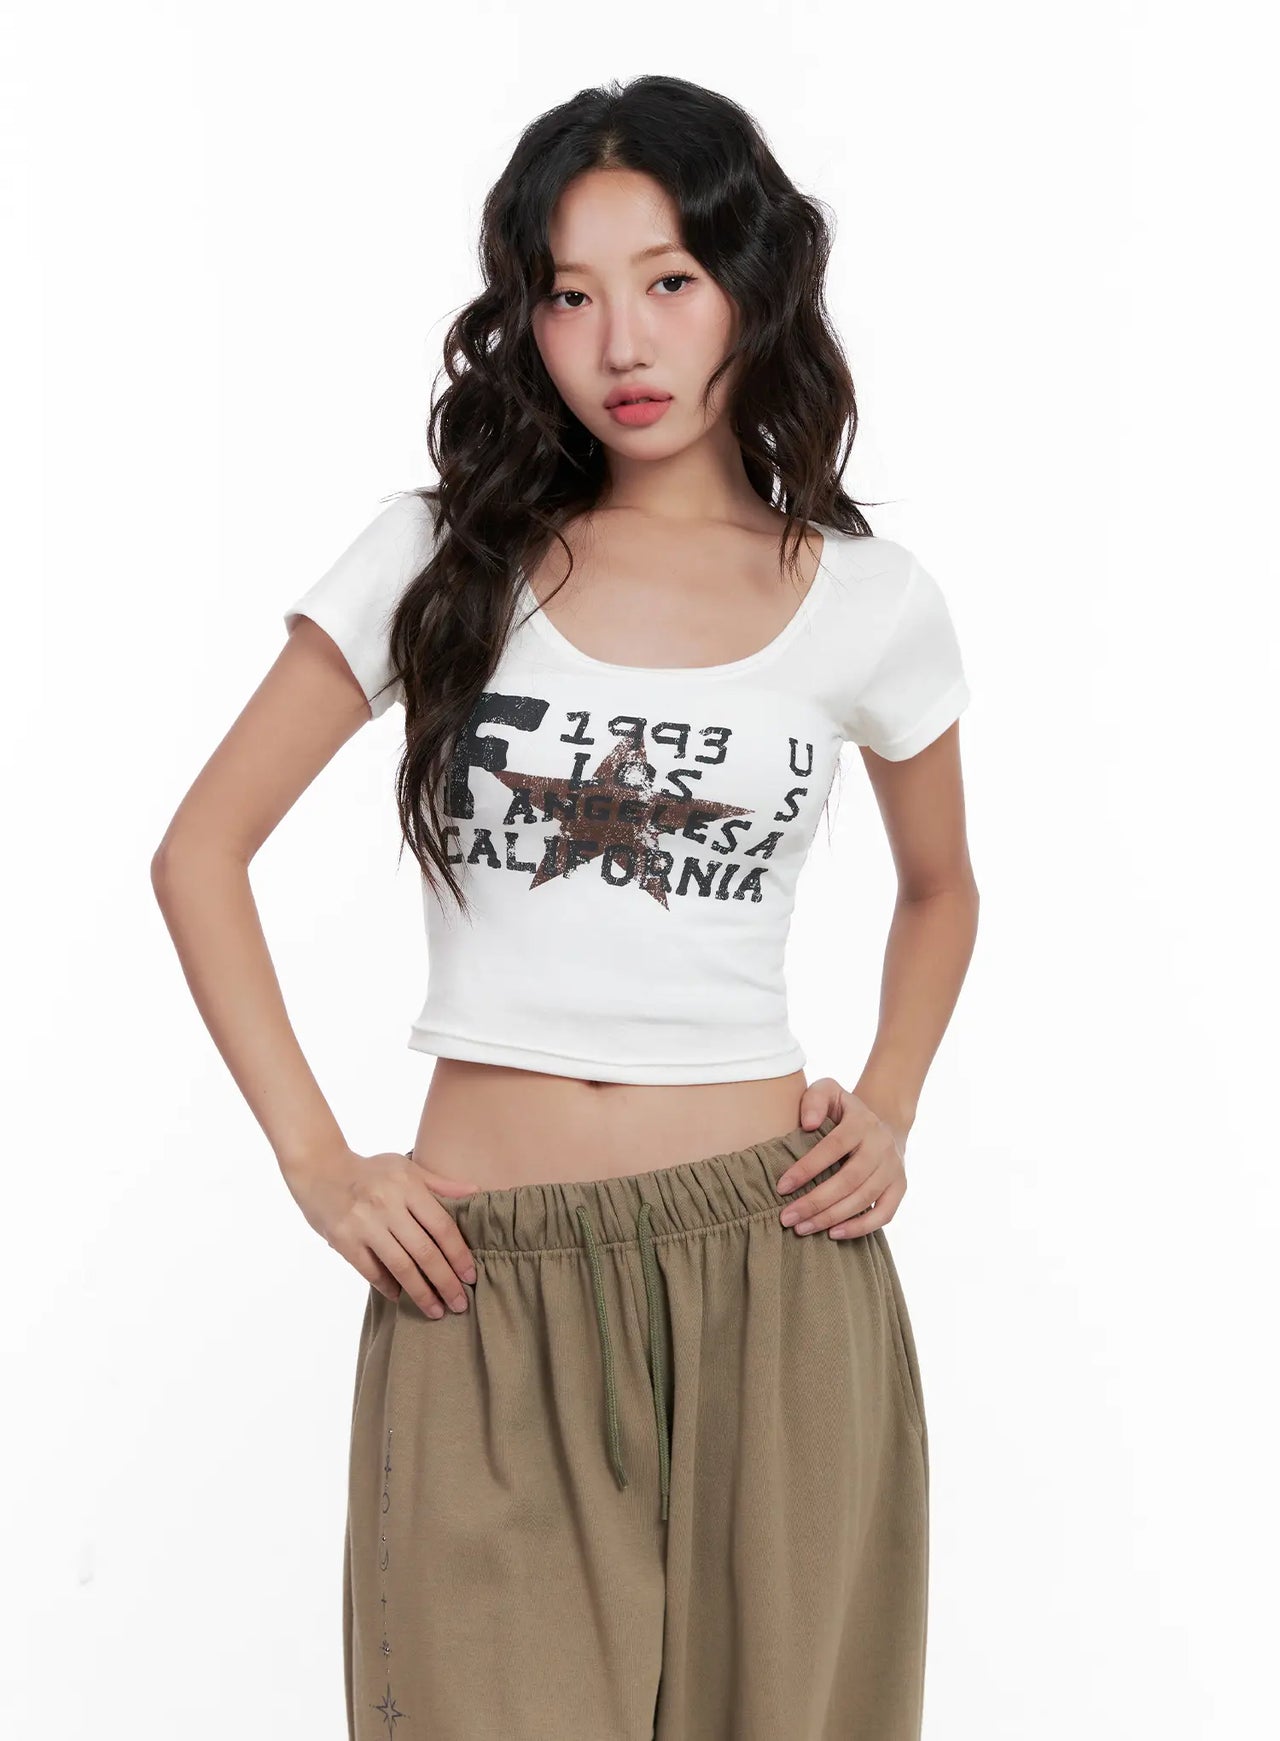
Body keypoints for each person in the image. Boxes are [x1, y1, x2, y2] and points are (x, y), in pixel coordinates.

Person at [152, 74, 978, 1741]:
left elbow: (942, 886)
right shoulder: (436, 557)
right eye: (569, 293)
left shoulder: (868, 602)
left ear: (752, 285)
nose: (623, 342)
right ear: (523, 320)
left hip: (777, 1271)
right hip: (483, 1278)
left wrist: (890, 1101)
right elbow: (201, 852)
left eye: (669, 279)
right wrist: (320, 1163)